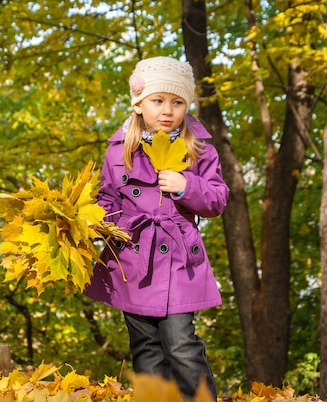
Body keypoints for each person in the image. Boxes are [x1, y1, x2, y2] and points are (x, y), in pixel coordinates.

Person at [84, 56, 229, 401]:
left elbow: (217, 200)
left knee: (181, 344)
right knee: (146, 347)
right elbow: (107, 200)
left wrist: (185, 185)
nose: (168, 110)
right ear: (139, 104)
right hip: (132, 260)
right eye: (158, 100)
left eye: (177, 102)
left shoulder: (198, 150)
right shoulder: (119, 151)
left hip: (179, 260)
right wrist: (94, 223)